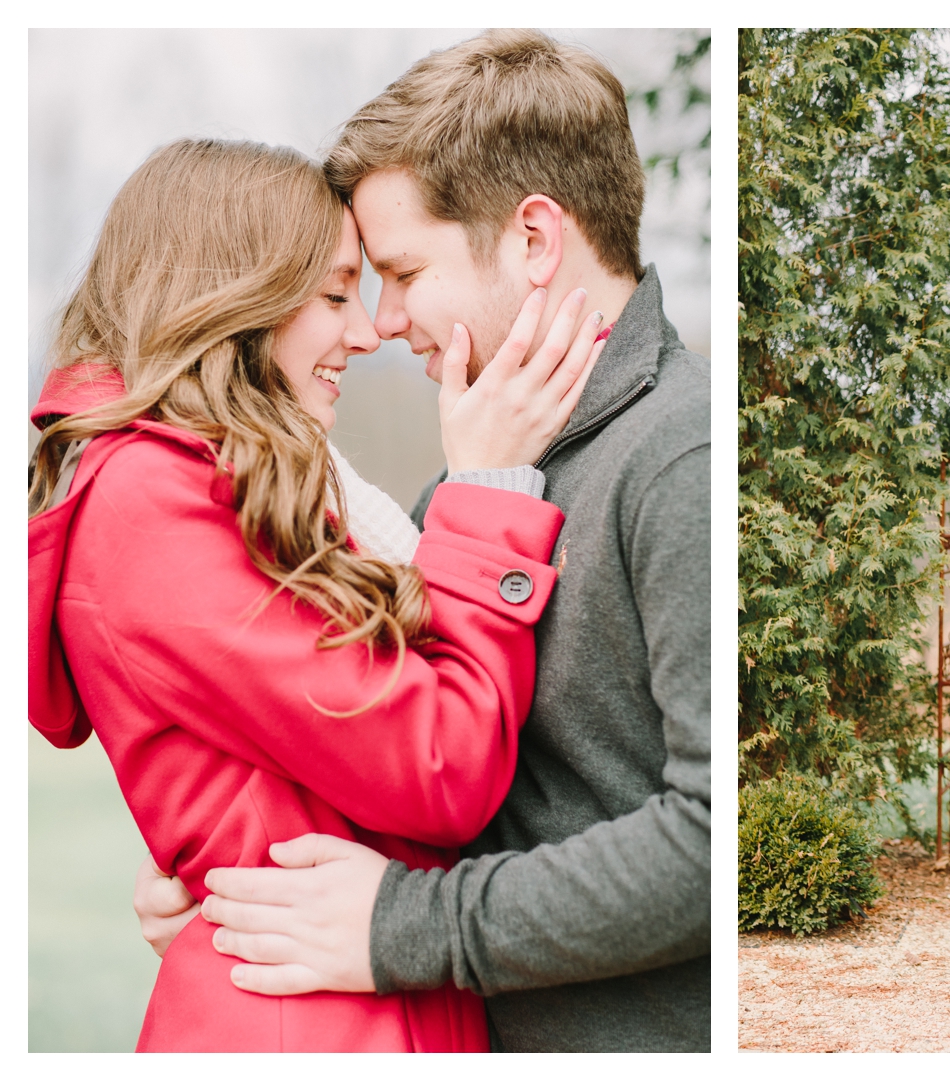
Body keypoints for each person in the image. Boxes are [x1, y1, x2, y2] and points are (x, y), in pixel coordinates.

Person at [134, 30, 711, 1051]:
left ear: (534, 240)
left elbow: (713, 842)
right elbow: (425, 757)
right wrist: (242, 873)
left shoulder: (682, 459)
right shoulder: (469, 472)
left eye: (401, 272)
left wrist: (401, 926)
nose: (382, 320)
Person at [28, 137, 604, 1052]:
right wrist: (488, 491)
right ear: (235, 298)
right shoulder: (148, 501)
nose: (368, 330)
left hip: (360, 1003)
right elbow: (440, 760)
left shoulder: (250, 483)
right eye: (336, 294)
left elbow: (290, 751)